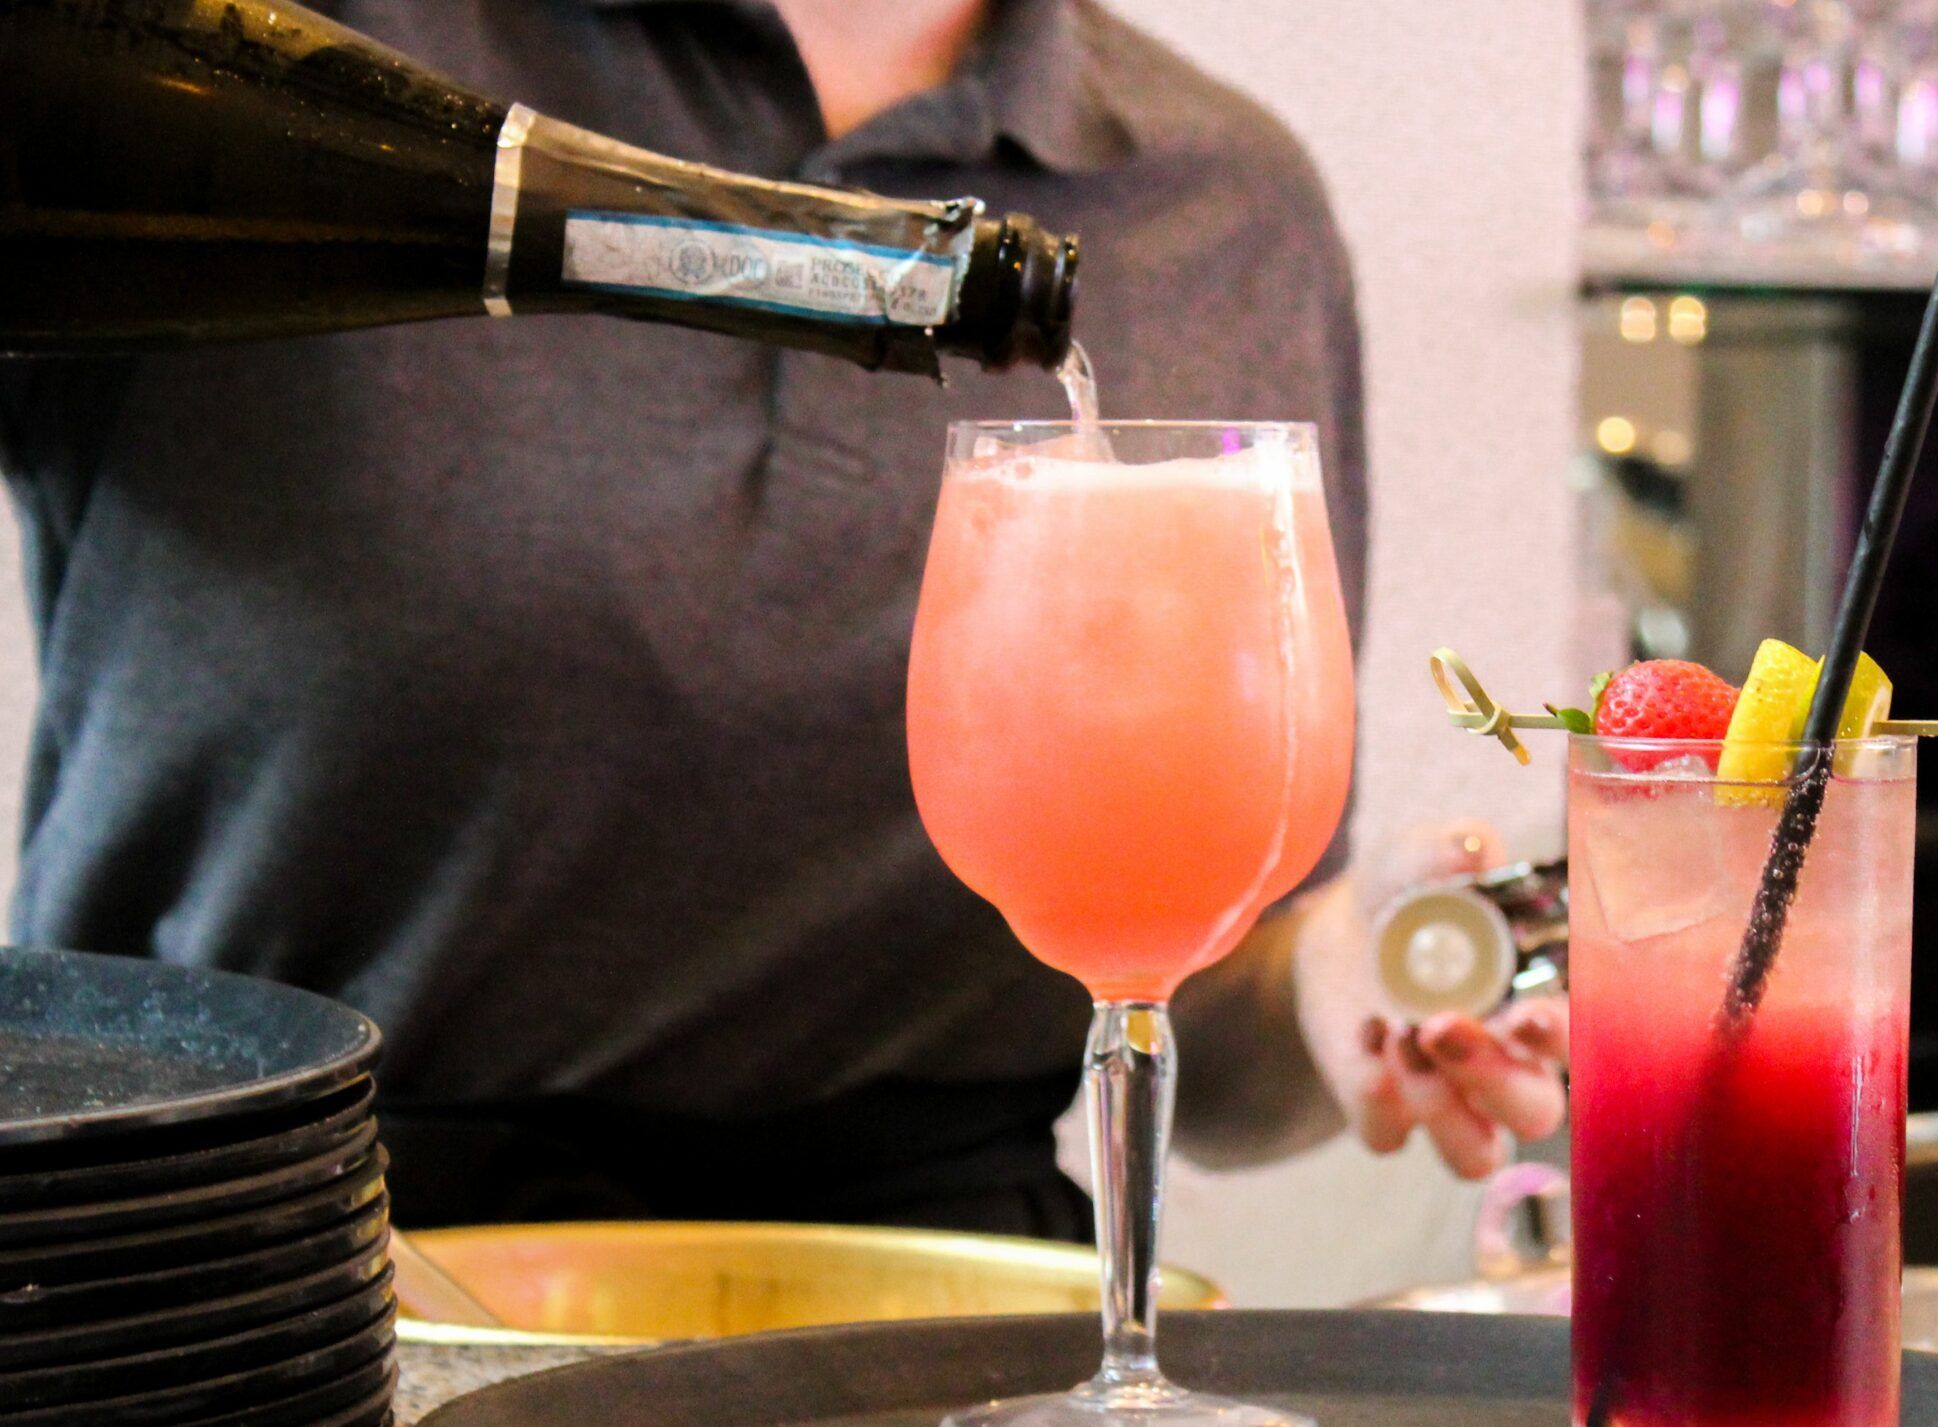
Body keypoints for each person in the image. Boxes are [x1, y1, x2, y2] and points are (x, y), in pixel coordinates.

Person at [0, 0, 1566, 1235]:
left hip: (925, 1351)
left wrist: (1348, 1006)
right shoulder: (256, 66)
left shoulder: (1224, 206)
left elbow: (1201, 996)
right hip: (228, 1281)